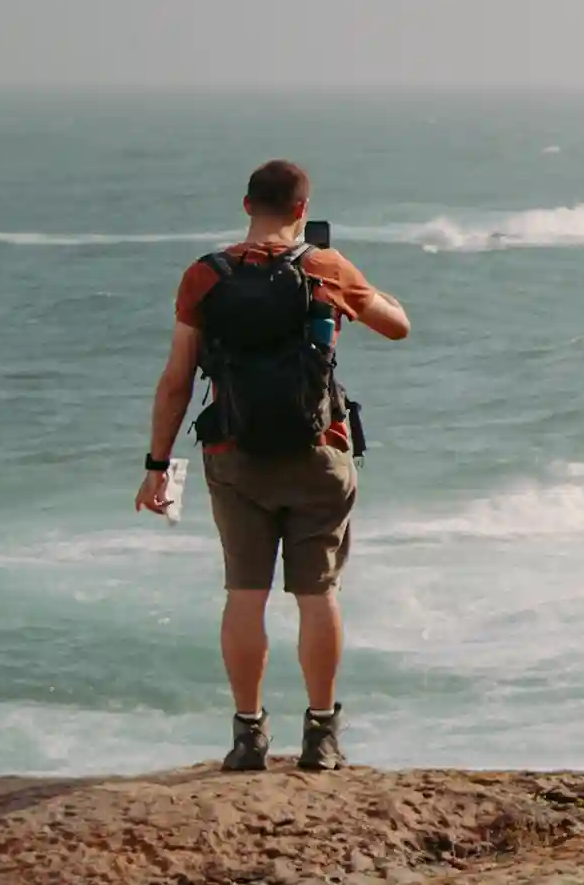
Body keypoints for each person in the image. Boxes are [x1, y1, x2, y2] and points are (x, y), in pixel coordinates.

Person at [134, 159, 414, 773]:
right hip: (319, 456)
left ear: (246, 206)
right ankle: (321, 736)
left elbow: (177, 378)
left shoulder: (205, 277)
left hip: (234, 457)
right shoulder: (324, 268)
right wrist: (364, 290)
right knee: (317, 595)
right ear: (301, 211)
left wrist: (157, 463)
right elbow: (398, 327)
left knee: (244, 594)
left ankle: (249, 736)